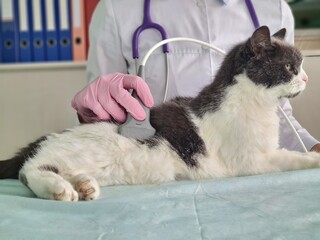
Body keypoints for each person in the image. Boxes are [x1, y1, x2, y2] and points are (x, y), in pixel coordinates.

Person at [71, 0, 320, 152]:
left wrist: (312, 148)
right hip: (160, 172)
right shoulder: (118, 9)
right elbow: (100, 119)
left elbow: (278, 115)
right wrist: (90, 112)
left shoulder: (274, 9)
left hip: (247, 174)